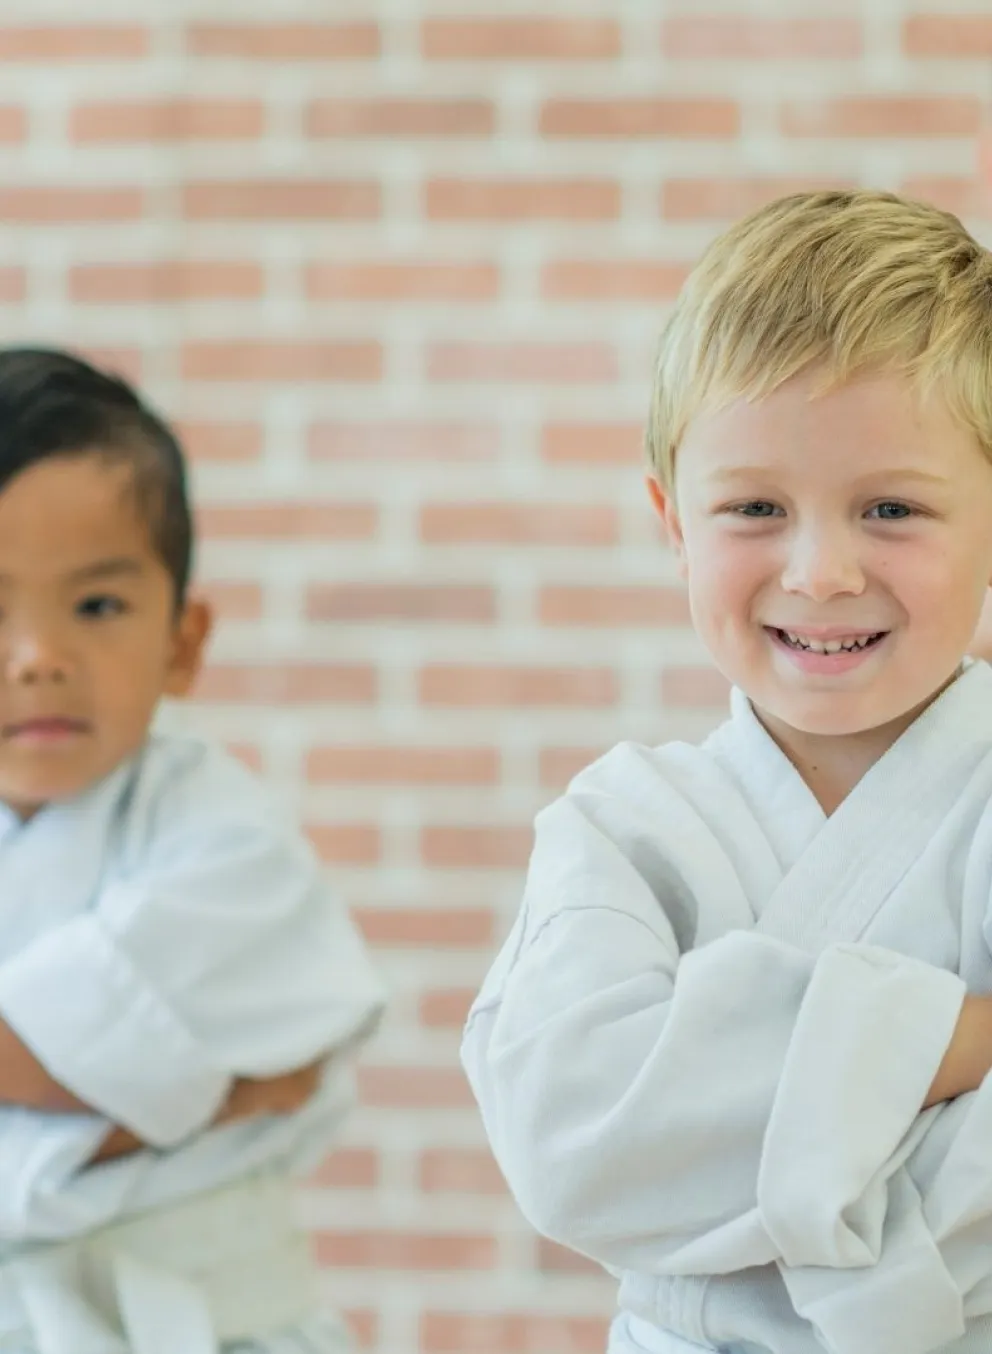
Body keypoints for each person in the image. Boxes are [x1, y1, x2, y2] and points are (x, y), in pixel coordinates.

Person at [461, 189, 992, 1354]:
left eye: (890, 507)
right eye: (753, 506)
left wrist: (710, 1155)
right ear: (672, 523)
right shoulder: (618, 828)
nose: (817, 571)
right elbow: (572, 1142)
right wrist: (945, 1039)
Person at [0, 348, 385, 1353]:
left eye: (95, 605)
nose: (37, 656)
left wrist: (106, 1089)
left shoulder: (220, 831)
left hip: (208, 1320)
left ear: (183, 638)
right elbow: (145, 1086)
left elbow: (43, 1048)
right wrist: (180, 1100)